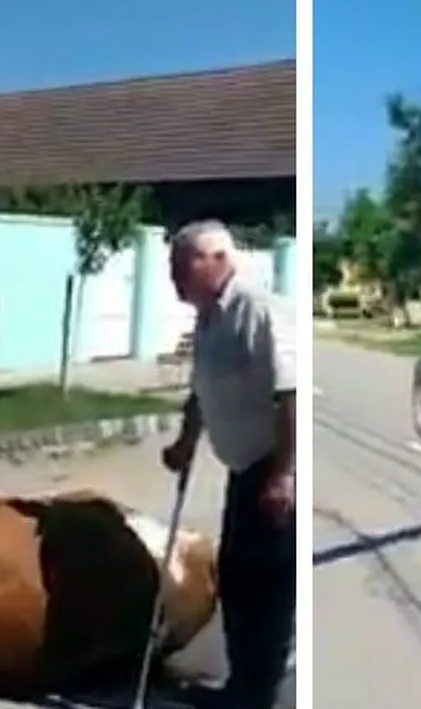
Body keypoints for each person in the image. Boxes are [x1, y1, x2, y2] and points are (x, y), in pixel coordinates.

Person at [161, 220, 296, 709]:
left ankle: (258, 695)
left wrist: (284, 474)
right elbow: (201, 392)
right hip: (244, 470)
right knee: (236, 578)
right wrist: (185, 443)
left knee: (267, 587)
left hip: (273, 468)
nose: (173, 277)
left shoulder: (257, 308)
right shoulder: (208, 319)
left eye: (181, 266)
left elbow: (290, 394)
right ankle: (243, 687)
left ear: (215, 261)